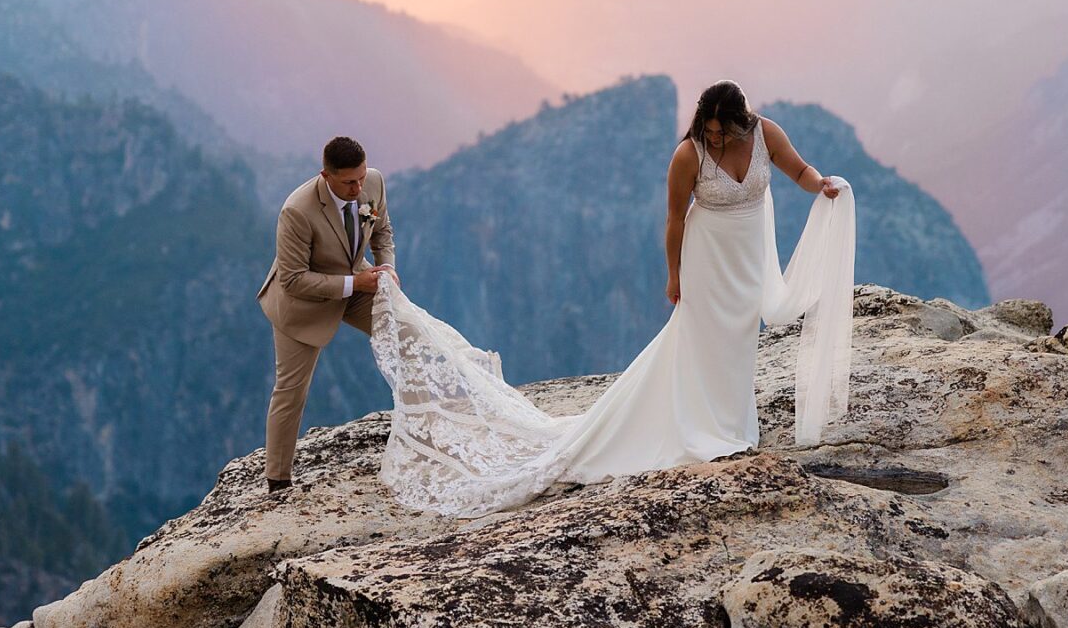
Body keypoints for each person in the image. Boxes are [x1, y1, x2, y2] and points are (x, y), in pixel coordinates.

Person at [368, 80, 855, 518]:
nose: (714, 140)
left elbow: (801, 172)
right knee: (701, 338)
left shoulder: (767, 133)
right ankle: (699, 428)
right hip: (707, 256)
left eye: (720, 132)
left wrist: (824, 187)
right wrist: (674, 276)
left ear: (740, 121)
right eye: (707, 131)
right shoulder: (689, 155)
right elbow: (675, 220)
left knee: (740, 336)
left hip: (750, 252)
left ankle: (731, 423)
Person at [256, 135, 397, 492]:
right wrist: (356, 284)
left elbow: (382, 233)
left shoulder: (374, 182)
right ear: (326, 176)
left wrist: (387, 268)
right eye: (350, 182)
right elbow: (292, 279)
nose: (359, 187)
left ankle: (426, 435)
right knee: (291, 391)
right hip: (302, 304)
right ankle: (278, 481)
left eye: (362, 178)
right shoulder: (297, 211)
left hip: (358, 283)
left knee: (407, 336)